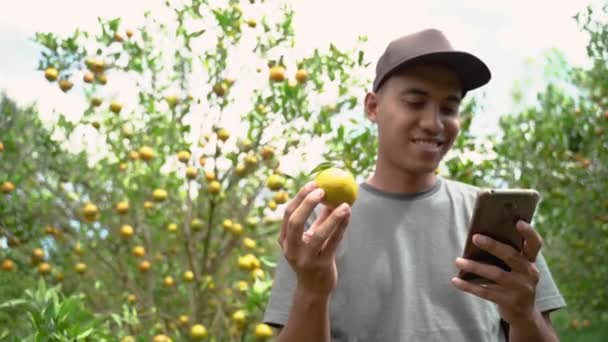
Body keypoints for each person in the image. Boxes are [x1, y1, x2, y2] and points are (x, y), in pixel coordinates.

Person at [263, 28, 566, 341]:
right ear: (372, 107)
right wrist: (313, 291)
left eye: (449, 108)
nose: (434, 123)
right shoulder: (323, 221)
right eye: (414, 102)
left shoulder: (490, 219)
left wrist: (524, 314)